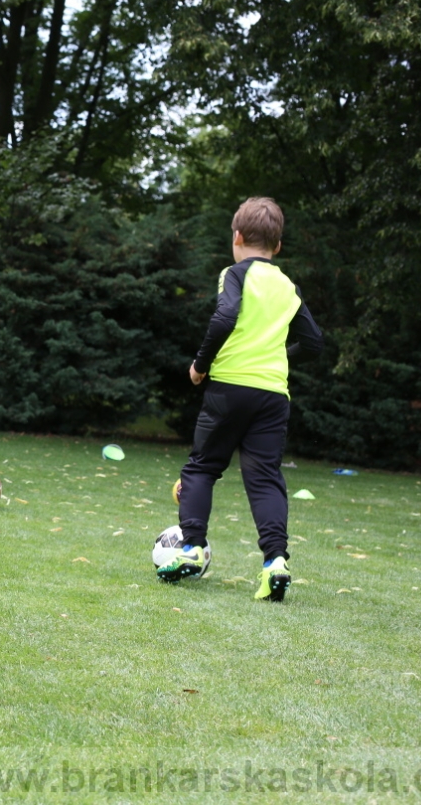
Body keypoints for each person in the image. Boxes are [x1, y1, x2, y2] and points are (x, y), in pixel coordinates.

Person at [157, 197, 323, 601]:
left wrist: (199, 364)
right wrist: (276, 357)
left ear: (237, 237)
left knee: (201, 469)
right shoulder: (287, 286)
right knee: (265, 479)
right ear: (277, 246)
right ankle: (275, 563)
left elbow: (226, 316)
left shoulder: (234, 274)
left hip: (229, 389)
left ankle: (193, 549)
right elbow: (313, 342)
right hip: (272, 395)